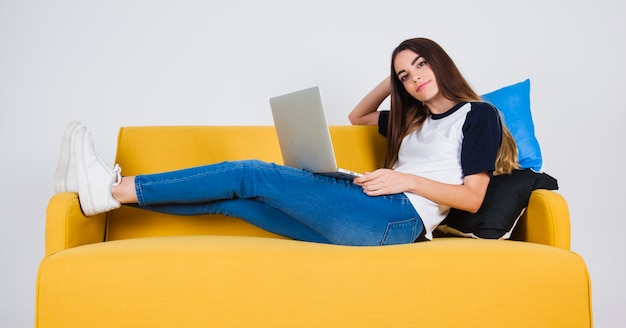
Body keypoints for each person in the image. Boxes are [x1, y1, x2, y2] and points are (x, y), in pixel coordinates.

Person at [54, 38, 518, 246]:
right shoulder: (411, 121)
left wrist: (404, 179)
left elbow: (473, 199)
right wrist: (390, 79)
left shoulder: (478, 116)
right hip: (371, 208)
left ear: (439, 61)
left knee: (250, 172)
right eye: (406, 73)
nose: (414, 77)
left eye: (420, 64)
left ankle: (114, 188)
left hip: (399, 221)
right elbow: (356, 117)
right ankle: (109, 199)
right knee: (238, 201)